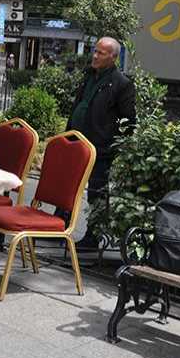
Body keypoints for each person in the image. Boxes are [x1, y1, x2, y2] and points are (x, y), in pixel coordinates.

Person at [66, 36, 136, 251]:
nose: (95, 56)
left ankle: (93, 236)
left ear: (113, 57)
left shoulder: (121, 84)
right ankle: (60, 226)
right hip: (76, 142)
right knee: (67, 186)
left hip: (99, 147)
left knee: (97, 191)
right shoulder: (89, 75)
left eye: (101, 53)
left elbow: (128, 121)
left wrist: (110, 142)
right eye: (94, 51)